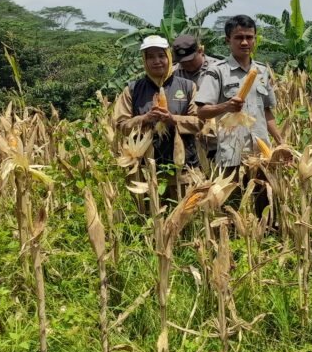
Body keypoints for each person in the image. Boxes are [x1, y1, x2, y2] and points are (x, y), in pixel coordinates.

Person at [195, 15, 282, 216]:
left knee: (266, 205)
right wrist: (226, 106)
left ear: (255, 39)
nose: (245, 42)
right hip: (230, 152)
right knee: (230, 209)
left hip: (260, 152)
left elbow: (267, 111)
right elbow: (201, 111)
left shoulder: (262, 71)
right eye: (239, 37)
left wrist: (280, 142)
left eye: (249, 37)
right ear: (228, 40)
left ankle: (267, 240)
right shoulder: (217, 72)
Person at [112, 35, 201, 196]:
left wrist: (173, 119)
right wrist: (145, 119)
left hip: (184, 171)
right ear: (144, 61)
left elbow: (199, 122)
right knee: (151, 218)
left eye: (161, 56)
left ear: (169, 57)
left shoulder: (188, 87)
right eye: (150, 57)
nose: (157, 61)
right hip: (146, 173)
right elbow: (121, 125)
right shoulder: (132, 90)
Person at [172, 34, 219, 162]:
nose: (186, 63)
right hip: (186, 143)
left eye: (190, 59)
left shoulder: (218, 69)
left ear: (200, 51)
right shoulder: (172, 73)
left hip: (215, 141)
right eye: (183, 61)